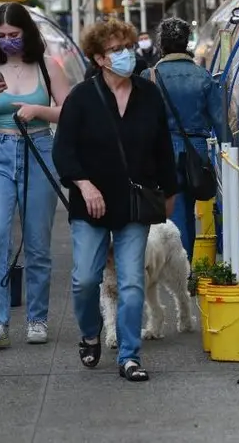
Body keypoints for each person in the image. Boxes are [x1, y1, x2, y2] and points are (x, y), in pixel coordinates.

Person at [53, 20, 180, 382]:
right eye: (116, 50)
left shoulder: (148, 94)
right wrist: (84, 185)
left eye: (128, 47)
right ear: (98, 58)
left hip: (134, 203)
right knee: (85, 279)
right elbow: (64, 151)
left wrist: (169, 192)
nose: (126, 55)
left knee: (131, 282)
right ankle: (91, 333)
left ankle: (129, 355)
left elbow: (162, 148)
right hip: (90, 203)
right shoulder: (81, 97)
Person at [0, 2, 71, 350]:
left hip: (39, 149)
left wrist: (39, 110)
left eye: (14, 35)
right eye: (1, 36)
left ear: (27, 33)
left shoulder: (47, 65)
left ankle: (37, 318)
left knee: (37, 241)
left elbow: (70, 111)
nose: (9, 41)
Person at [143, 17, 227, 263]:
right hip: (196, 153)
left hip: (160, 152)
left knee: (165, 212)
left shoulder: (149, 76)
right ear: (187, 43)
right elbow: (220, 121)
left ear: (161, 44)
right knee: (187, 212)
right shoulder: (203, 76)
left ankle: (161, 264)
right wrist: (233, 149)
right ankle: (184, 266)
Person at [84, 25, 149, 80]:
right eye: (117, 49)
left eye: (129, 46)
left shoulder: (140, 65)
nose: (126, 53)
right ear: (100, 57)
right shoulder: (92, 72)